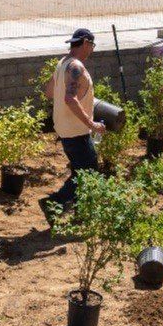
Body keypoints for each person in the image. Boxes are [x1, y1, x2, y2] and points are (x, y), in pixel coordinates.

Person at [40, 28, 105, 218]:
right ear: (85, 43)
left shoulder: (63, 63)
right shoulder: (76, 67)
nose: (92, 49)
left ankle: (79, 211)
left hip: (64, 129)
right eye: (92, 45)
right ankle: (54, 203)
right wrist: (91, 124)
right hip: (76, 131)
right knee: (88, 173)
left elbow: (49, 92)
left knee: (81, 171)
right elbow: (70, 99)